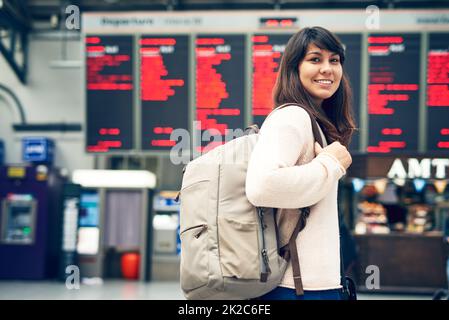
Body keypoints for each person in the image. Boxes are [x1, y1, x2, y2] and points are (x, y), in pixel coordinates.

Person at [245, 26, 356, 300]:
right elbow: (261, 186)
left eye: (334, 60)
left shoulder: (315, 120)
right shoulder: (292, 116)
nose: (327, 69)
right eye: (315, 59)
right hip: (296, 287)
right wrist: (330, 165)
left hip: (311, 284)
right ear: (294, 68)